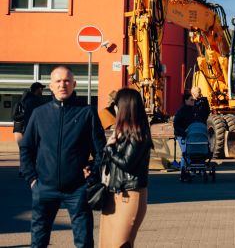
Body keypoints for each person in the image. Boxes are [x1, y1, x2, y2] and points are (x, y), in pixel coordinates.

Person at [20, 66, 106, 248]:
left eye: (67, 81)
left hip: (77, 189)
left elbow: (101, 151)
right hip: (44, 187)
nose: (62, 85)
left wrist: (93, 174)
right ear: (50, 86)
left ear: (74, 84)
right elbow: (26, 148)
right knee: (38, 241)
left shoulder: (86, 113)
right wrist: (32, 180)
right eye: (58, 81)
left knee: (83, 242)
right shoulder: (39, 114)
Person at [99, 88, 152, 248]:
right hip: (113, 194)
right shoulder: (122, 133)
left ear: (124, 107)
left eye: (116, 105)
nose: (114, 108)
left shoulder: (138, 134)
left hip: (128, 195)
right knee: (107, 244)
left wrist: (109, 148)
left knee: (120, 244)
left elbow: (127, 163)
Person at [13, 81, 44, 176]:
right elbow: (32, 117)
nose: (42, 91)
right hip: (25, 129)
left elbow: (15, 117)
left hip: (18, 129)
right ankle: (27, 170)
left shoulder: (24, 102)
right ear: (37, 89)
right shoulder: (34, 101)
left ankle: (23, 170)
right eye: (41, 89)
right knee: (30, 150)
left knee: (24, 150)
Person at [173, 93, 195, 171]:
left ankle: (188, 168)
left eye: (194, 100)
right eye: (191, 100)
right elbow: (176, 124)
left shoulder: (193, 110)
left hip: (190, 134)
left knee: (190, 152)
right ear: (186, 100)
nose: (193, 101)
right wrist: (183, 132)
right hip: (182, 135)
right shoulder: (181, 111)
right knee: (185, 152)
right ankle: (183, 169)